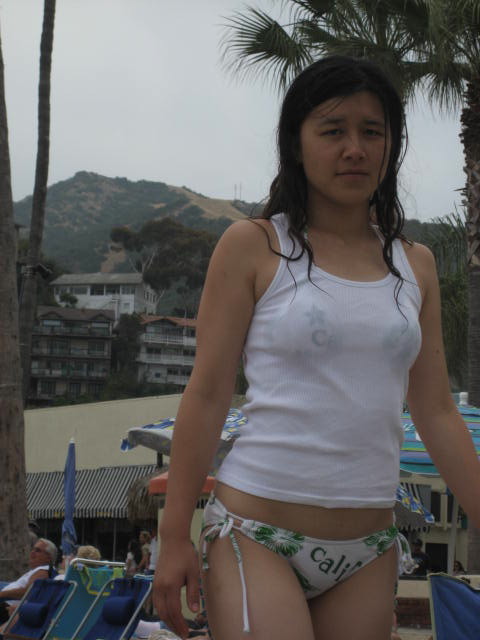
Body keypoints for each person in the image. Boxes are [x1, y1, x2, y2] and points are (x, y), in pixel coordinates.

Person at [152, 55, 480, 640]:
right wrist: (174, 536)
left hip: (369, 548)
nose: (355, 148)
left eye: (372, 131)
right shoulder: (255, 246)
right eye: (333, 131)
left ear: (391, 145)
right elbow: (207, 394)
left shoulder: (417, 266)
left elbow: (435, 411)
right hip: (256, 533)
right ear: (296, 145)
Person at [0, 538, 57, 623]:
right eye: (33, 549)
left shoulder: (43, 571)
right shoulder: (38, 570)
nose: (32, 552)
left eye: (37, 550)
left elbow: (29, 592)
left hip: (9, 608)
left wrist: (2, 594)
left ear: (48, 557)